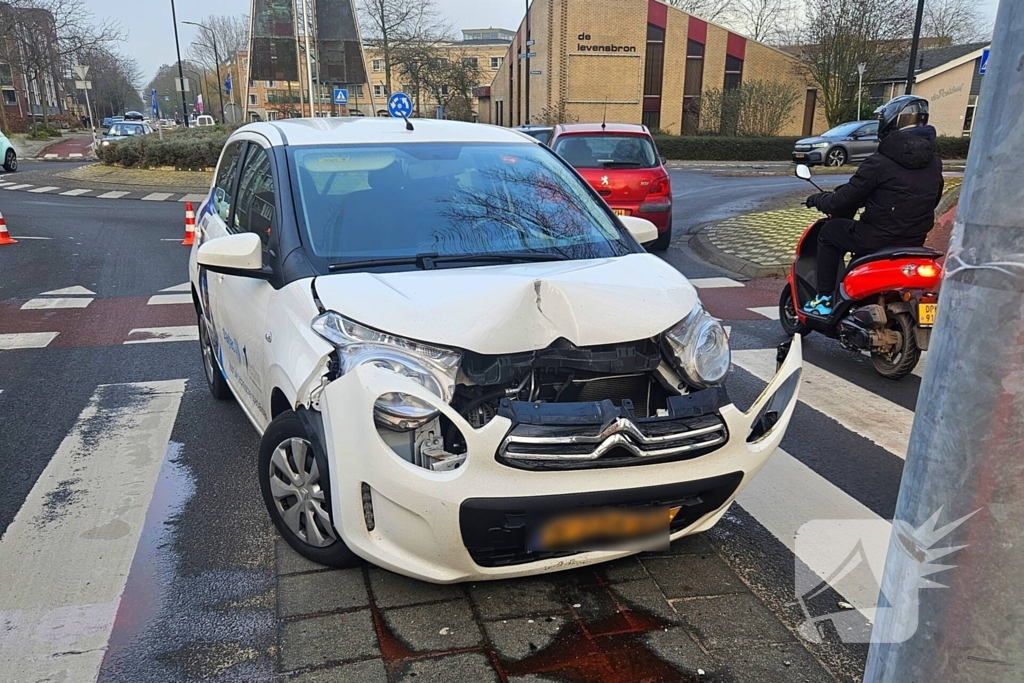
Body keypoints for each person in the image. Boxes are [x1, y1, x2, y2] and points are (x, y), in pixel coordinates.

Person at [803, 95, 944, 315]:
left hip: (875, 238)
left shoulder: (879, 162)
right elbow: (934, 199)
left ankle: (823, 299)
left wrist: (818, 200)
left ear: (889, 123)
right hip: (915, 239)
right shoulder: (934, 162)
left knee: (829, 233)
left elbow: (843, 200)